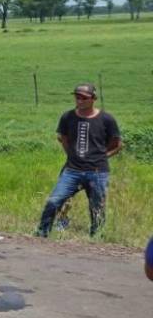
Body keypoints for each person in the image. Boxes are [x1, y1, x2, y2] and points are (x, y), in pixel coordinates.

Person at [36, 83, 122, 238]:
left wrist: (102, 156)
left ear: (93, 99)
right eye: (77, 97)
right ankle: (41, 234)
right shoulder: (68, 117)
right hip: (72, 170)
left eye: (84, 97)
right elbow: (63, 138)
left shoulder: (106, 119)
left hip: (97, 172)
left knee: (97, 208)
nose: (79, 100)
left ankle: (96, 239)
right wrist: (72, 155)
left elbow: (117, 144)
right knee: (54, 201)